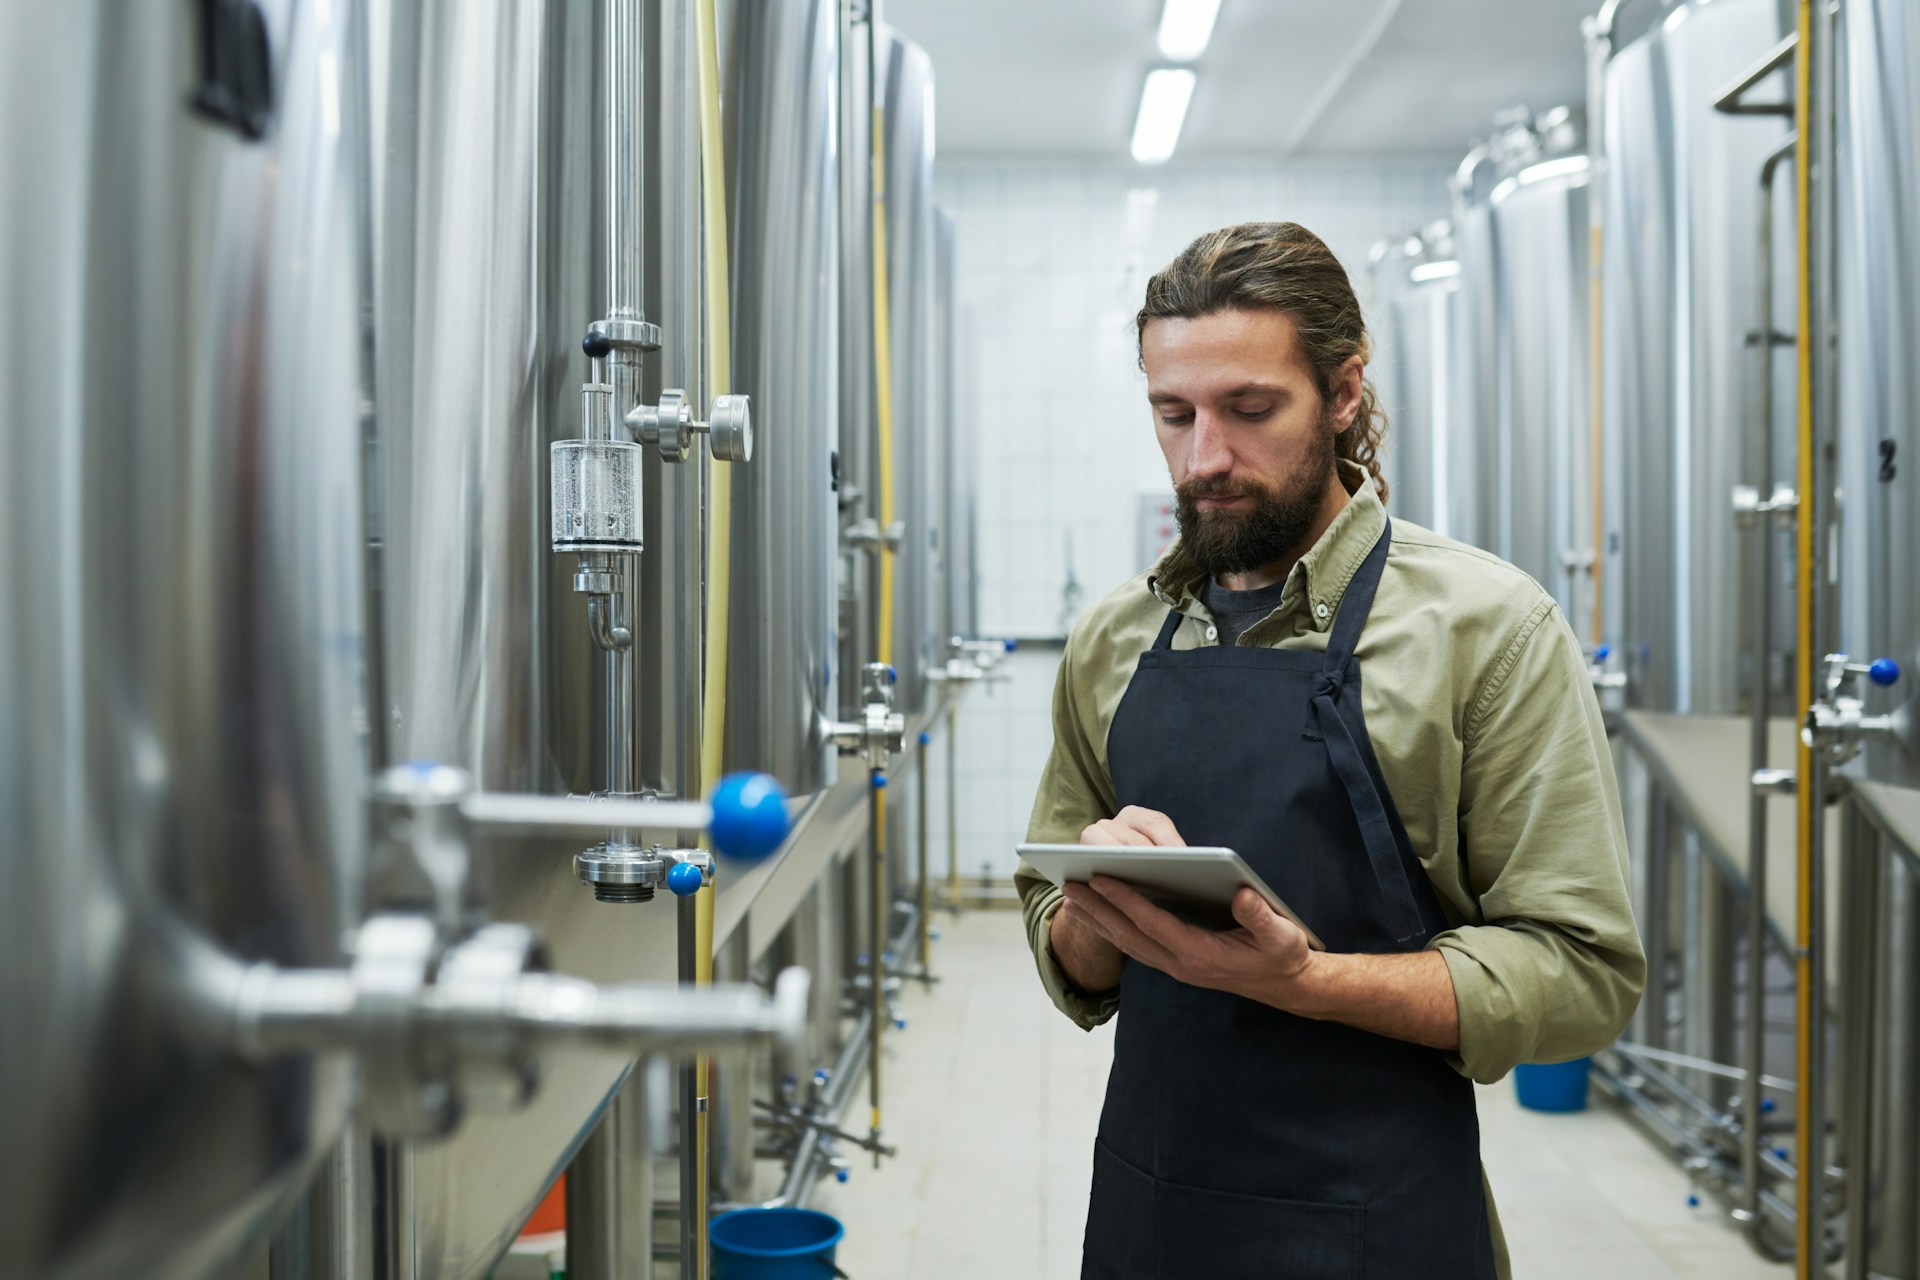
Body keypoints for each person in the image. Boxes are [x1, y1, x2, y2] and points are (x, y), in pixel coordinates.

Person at [1015, 222, 1644, 1280]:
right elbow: (1053, 918)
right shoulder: (1115, 638)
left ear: (1344, 392)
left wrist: (1308, 980)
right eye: (1174, 414)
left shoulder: (1487, 629)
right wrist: (1091, 917)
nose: (1204, 456)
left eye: (1250, 410)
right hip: (1154, 1205)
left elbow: (1583, 970)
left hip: (1380, 1217)